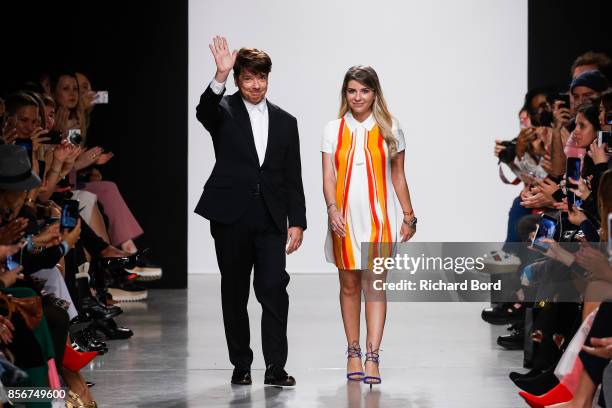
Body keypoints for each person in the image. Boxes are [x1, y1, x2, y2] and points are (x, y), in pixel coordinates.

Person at [194, 36, 306, 387]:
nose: (256, 85)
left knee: (274, 288)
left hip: (271, 217)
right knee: (235, 290)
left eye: (261, 78)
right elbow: (203, 111)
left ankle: (275, 366)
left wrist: (298, 221)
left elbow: (292, 175)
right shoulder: (223, 111)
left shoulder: (286, 122)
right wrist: (220, 74)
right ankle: (241, 363)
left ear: (268, 78)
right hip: (231, 216)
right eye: (248, 78)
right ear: (239, 78)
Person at [321, 65, 416, 387]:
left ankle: (373, 356)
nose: (358, 97)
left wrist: (408, 215)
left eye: (364, 90)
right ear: (345, 93)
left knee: (374, 286)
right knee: (349, 286)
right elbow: (328, 176)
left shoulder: (391, 127)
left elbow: (398, 175)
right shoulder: (333, 129)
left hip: (379, 219)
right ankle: (353, 351)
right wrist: (332, 209)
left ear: (375, 92)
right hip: (344, 220)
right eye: (352, 90)